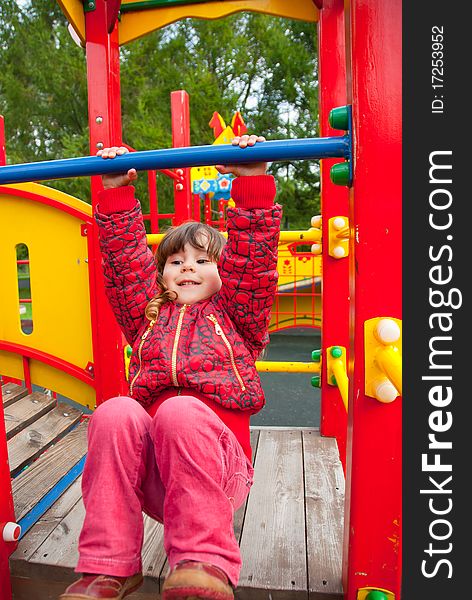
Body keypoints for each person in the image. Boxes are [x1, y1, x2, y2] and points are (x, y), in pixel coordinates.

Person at [60, 134, 282, 600]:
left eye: (203, 260)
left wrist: (253, 185)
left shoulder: (237, 313)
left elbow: (253, 264)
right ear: (161, 274)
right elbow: (124, 262)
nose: (187, 268)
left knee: (180, 411)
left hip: (217, 470)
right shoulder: (147, 315)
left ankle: (204, 563)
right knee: (114, 412)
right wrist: (116, 190)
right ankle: (108, 568)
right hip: (155, 472)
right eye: (176, 261)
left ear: (223, 273)